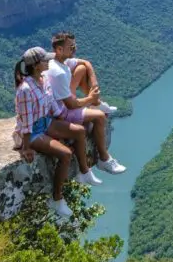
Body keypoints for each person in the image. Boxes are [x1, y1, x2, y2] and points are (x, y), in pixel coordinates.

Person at [14, 46, 100, 218]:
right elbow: (26, 120)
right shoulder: (25, 89)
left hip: (47, 122)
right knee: (66, 154)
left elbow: (52, 105)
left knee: (79, 132)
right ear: (37, 65)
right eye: (46, 60)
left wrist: (68, 118)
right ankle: (57, 199)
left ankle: (83, 172)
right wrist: (27, 146)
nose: (49, 61)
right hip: (33, 131)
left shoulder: (44, 79)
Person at [46, 32, 126, 175]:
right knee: (100, 116)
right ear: (59, 50)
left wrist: (94, 85)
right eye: (71, 47)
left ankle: (97, 103)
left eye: (75, 45)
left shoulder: (60, 61)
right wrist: (90, 98)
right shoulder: (58, 73)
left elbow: (86, 63)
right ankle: (104, 159)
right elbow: (71, 105)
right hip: (62, 112)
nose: (74, 49)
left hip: (65, 102)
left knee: (82, 68)